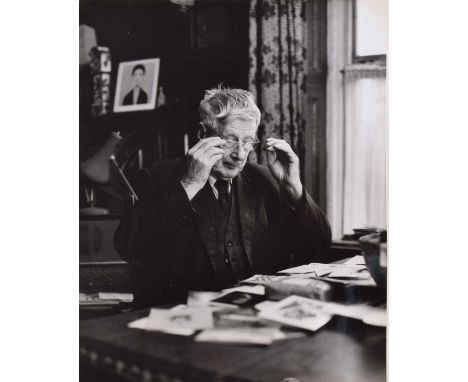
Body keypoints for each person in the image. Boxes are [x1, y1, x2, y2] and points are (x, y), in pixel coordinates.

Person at [115, 87, 331, 308]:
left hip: (254, 317)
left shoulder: (265, 179)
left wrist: (293, 187)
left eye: (248, 141)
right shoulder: (157, 177)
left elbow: (320, 247)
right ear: (202, 133)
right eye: (230, 140)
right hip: (183, 322)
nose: (239, 154)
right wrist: (189, 184)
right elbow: (127, 246)